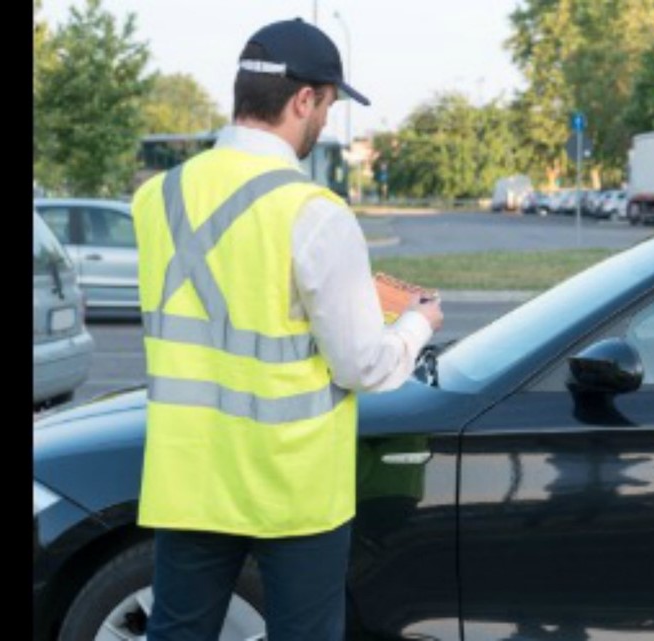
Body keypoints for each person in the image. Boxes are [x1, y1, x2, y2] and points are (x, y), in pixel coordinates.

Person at [129, 17, 443, 641]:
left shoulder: (155, 198)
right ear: (303, 99)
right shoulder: (314, 214)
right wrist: (416, 323)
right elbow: (361, 366)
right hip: (293, 487)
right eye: (327, 105)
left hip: (189, 475)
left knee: (177, 633)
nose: (325, 121)